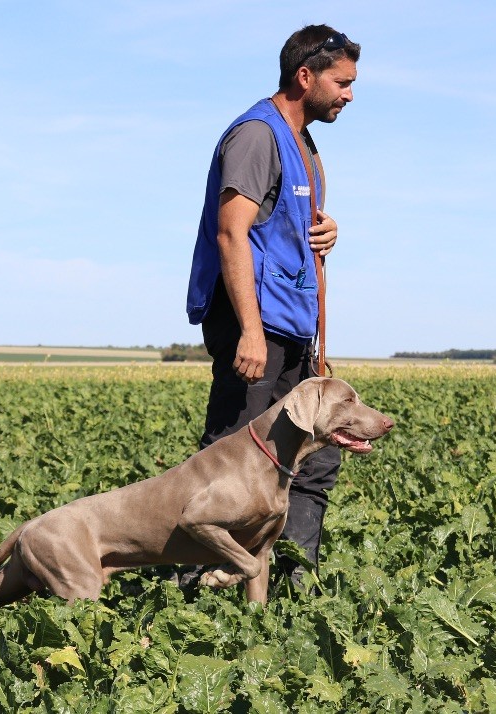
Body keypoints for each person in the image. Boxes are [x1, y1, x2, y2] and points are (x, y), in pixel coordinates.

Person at [185, 25, 361, 588]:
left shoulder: (304, 145)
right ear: (305, 76)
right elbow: (231, 233)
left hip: (293, 324)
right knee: (230, 459)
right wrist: (250, 332)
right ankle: (194, 598)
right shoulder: (257, 136)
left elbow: (286, 230)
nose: (349, 95)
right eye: (342, 83)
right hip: (256, 324)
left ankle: (291, 586)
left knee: (317, 454)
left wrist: (327, 232)